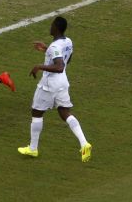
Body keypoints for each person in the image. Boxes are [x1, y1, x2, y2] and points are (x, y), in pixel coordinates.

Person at [17, 17, 92, 161]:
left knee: (37, 112)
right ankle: (84, 143)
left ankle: (33, 149)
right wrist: (46, 50)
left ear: (56, 28)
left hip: (49, 84)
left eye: (52, 25)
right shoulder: (68, 42)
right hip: (63, 83)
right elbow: (66, 60)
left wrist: (39, 66)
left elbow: (59, 66)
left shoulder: (54, 47)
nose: (50, 27)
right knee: (65, 112)